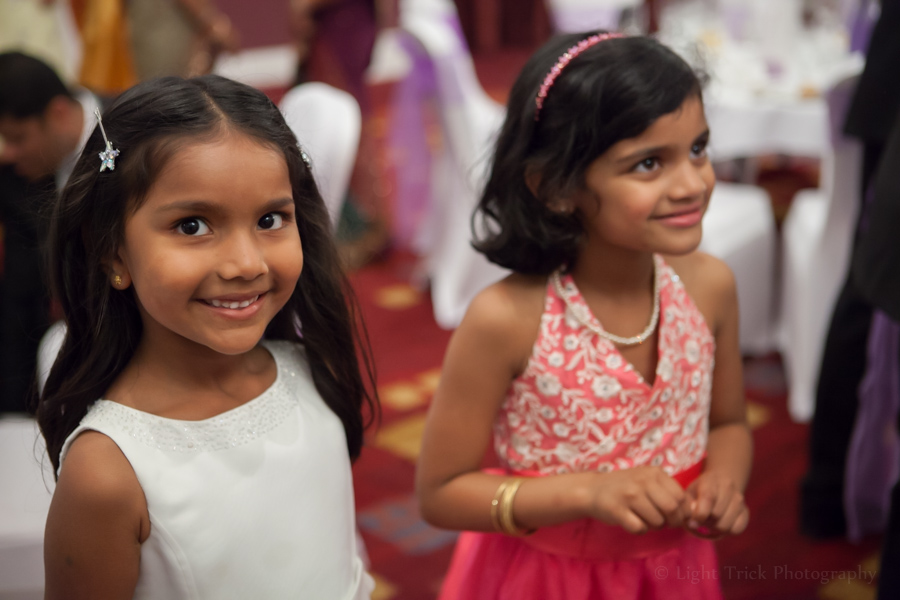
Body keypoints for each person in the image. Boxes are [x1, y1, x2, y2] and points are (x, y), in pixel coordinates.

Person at [416, 32, 752, 599]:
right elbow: (441, 493)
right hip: (546, 579)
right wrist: (586, 493)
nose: (693, 182)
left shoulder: (711, 286)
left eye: (698, 148)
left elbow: (729, 424)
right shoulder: (506, 320)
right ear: (555, 187)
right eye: (649, 163)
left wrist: (724, 481)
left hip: (675, 573)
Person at [37, 74, 378, 599]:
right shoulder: (106, 474)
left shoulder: (315, 368)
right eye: (193, 225)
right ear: (112, 252)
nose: (246, 263)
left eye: (270, 218)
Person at [0, 51, 101, 412]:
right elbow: (20, 296)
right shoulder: (19, 178)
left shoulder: (132, 133)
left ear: (57, 113)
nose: (8, 153)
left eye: (17, 138)